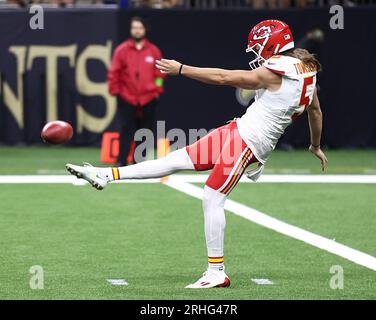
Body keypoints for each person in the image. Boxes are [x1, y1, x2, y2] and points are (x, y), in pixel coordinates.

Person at [67, 19, 328, 289]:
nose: (257, 55)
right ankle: (104, 174)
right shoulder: (308, 69)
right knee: (175, 160)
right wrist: (315, 145)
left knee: (212, 195)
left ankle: (216, 272)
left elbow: (224, 78)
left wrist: (181, 69)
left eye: (260, 48)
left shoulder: (274, 72)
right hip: (240, 129)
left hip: (250, 140)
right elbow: (316, 111)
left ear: (272, 44)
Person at [108, 16, 165, 166]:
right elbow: (114, 72)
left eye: (139, 28)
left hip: (148, 97)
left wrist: (157, 89)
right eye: (134, 28)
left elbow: (159, 74)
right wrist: (116, 91)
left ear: (144, 30)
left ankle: (139, 162)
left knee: (145, 131)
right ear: (131, 30)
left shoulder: (153, 51)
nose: (137, 31)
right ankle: (121, 161)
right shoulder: (122, 50)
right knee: (126, 130)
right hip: (127, 96)